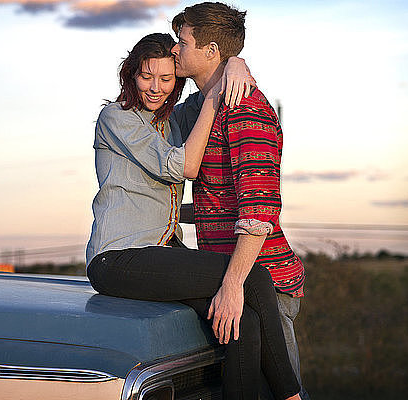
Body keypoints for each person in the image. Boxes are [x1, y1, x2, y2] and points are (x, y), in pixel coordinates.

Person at [85, 32, 301, 400]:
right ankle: (291, 395)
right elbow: (183, 165)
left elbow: (209, 86)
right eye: (146, 76)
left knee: (239, 319)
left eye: (166, 79)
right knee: (253, 276)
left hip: (162, 252)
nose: (155, 88)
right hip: (117, 258)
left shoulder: (176, 119)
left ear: (177, 80)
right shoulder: (116, 118)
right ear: (131, 75)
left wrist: (235, 62)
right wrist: (215, 100)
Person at [169, 3, 309, 399]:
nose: (175, 50)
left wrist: (232, 286)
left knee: (281, 394)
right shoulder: (207, 107)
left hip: (261, 282)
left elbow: (258, 209)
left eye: (183, 42)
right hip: (234, 278)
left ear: (211, 50)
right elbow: (219, 202)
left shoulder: (247, 110)